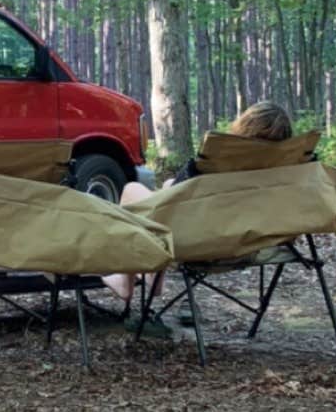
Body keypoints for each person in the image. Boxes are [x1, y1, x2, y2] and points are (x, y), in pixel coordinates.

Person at [104, 101, 294, 307]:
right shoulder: (287, 169)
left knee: (132, 189)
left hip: (203, 246)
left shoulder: (220, 161)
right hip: (250, 246)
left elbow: (177, 197)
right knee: (168, 186)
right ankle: (151, 275)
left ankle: (127, 279)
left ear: (245, 125)